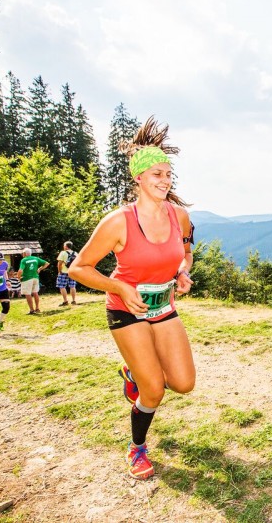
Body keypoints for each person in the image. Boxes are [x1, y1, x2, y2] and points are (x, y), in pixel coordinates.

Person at [68, 117, 195, 480]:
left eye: (168, 174)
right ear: (138, 177)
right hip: (126, 309)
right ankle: (137, 447)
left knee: (183, 383)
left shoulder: (179, 216)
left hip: (164, 308)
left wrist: (182, 272)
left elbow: (185, 255)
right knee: (154, 390)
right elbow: (79, 268)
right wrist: (121, 288)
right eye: (156, 174)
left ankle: (133, 373)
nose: (164, 180)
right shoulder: (119, 221)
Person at [18, 248, 50, 314]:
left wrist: (18, 277)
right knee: (35, 293)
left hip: (27, 278)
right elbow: (46, 263)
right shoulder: (36, 258)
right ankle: (37, 308)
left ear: (24, 253)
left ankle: (31, 310)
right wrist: (40, 269)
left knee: (28, 294)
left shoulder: (24, 260)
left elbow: (20, 270)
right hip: (35, 277)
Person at [56, 241, 78, 306]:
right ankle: (73, 300)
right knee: (72, 286)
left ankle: (65, 301)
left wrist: (59, 271)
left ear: (66, 246)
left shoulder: (63, 253)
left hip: (64, 272)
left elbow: (59, 263)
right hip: (72, 272)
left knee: (62, 286)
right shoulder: (76, 253)